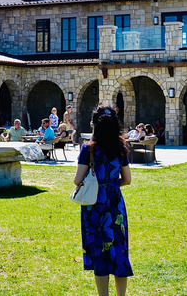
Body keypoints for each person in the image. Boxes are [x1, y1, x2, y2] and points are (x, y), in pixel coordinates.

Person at [73, 105, 133, 296]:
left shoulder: (88, 149)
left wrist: (97, 184)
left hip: (94, 206)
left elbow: (77, 180)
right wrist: (111, 185)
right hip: (115, 203)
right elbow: (127, 179)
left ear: (94, 125)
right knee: (119, 251)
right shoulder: (120, 148)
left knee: (99, 251)